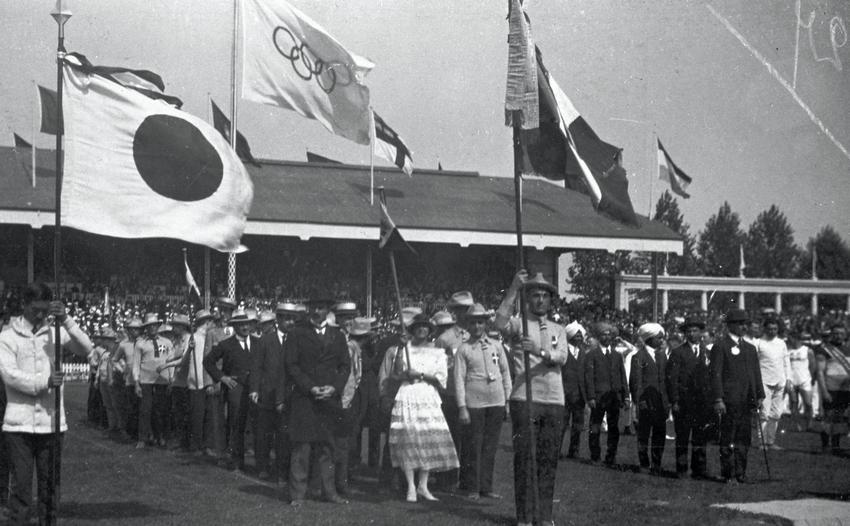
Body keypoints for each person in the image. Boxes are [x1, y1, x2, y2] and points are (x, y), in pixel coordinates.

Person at [0, 283, 93, 525]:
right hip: (18, 425)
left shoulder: (56, 332)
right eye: (35, 310)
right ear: (24, 305)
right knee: (20, 489)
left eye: (45, 310)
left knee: (50, 487)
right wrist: (45, 381)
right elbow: (10, 375)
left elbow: (86, 348)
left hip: (51, 423)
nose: (40, 315)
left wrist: (67, 320)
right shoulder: (7, 337)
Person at [494, 271, 567, 526]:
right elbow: (498, 324)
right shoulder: (518, 323)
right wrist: (513, 288)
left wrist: (539, 351)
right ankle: (524, 517)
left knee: (548, 460)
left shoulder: (559, 329)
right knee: (525, 459)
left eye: (544, 296)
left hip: (554, 401)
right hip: (525, 398)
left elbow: (562, 357)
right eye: (534, 295)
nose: (539, 300)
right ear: (528, 299)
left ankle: (544, 516)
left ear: (550, 301)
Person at [285, 298, 350, 505]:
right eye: (312, 307)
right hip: (305, 398)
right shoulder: (296, 334)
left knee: (328, 447)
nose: (316, 311)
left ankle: (329, 492)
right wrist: (310, 387)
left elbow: (344, 367)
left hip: (329, 399)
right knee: (302, 447)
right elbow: (291, 365)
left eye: (320, 308)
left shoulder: (338, 336)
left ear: (327, 311)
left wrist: (334, 387)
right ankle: (297, 495)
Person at [389, 313, 459, 502]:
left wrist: (419, 374)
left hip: (427, 395)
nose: (422, 329)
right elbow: (396, 373)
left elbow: (440, 379)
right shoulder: (405, 349)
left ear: (430, 330)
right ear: (413, 330)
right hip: (408, 394)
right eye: (418, 326)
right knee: (409, 439)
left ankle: (423, 485)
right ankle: (411, 486)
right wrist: (403, 353)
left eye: (425, 327)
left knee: (428, 438)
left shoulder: (437, 352)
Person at [455, 303, 511, 500]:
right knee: (474, 446)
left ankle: (486, 487)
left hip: (495, 401)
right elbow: (459, 380)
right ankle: (472, 487)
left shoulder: (496, 345)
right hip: (474, 403)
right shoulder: (464, 349)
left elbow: (505, 372)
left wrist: (507, 400)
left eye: (480, 322)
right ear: (468, 325)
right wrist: (462, 407)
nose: (477, 326)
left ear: (486, 324)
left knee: (490, 446)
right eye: (473, 323)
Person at [710, 308, 765, 483]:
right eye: (740, 323)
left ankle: (741, 473)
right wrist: (718, 399)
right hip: (729, 400)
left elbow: (756, 374)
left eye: (746, 324)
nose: (744, 327)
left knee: (744, 438)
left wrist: (760, 395)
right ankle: (729, 474)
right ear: (730, 326)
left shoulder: (749, 348)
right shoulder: (721, 346)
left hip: (747, 400)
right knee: (728, 438)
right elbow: (715, 374)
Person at [204, 309, 258, 471]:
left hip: (255, 387)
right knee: (236, 423)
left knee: (256, 424)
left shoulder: (258, 343)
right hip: (236, 387)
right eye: (241, 325)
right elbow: (208, 361)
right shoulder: (226, 344)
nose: (245, 327)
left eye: (247, 324)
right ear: (234, 327)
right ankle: (236, 460)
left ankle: (260, 463)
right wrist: (222, 377)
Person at [249, 302, 298, 482]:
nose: (289, 322)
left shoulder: (296, 339)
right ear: (278, 320)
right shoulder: (266, 340)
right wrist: (254, 389)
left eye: (292, 319)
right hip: (267, 392)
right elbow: (256, 366)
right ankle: (262, 466)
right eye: (286, 318)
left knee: (284, 436)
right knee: (264, 433)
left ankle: (281, 471)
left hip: (287, 394)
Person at [433, 292, 472, 491]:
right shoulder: (445, 339)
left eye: (468, 309)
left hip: (472, 395)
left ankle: (467, 481)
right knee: (451, 438)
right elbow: (436, 367)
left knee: (470, 441)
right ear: (455, 312)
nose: (465, 314)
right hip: (450, 395)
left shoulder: (475, 336)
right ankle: (447, 480)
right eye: (461, 310)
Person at [666, 316, 712, 479]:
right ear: (685, 334)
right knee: (683, 437)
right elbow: (672, 379)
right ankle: (682, 469)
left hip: (702, 403)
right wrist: (675, 401)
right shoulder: (678, 352)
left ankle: (699, 469)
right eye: (689, 331)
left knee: (700, 437)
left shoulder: (707, 352)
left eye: (695, 331)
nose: (692, 334)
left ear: (701, 333)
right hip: (684, 402)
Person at [584, 321, 629, 466]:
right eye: (604, 334)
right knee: (595, 426)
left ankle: (611, 456)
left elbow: (622, 377)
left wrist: (626, 395)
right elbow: (589, 377)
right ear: (599, 337)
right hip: (597, 397)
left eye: (609, 334)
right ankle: (595, 455)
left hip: (614, 397)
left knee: (613, 427)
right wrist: (590, 396)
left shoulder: (617, 355)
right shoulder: (592, 355)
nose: (607, 337)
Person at [629, 323, 669, 475]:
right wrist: (640, 401)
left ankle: (656, 463)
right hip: (646, 402)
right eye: (658, 338)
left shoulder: (662, 356)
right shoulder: (638, 357)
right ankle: (644, 463)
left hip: (660, 402)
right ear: (650, 339)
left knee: (659, 434)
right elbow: (636, 382)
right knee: (644, 435)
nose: (661, 340)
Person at [133, 313, 174, 449]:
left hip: (162, 381)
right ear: (146, 327)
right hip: (146, 381)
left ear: (158, 326)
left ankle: (160, 437)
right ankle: (143, 438)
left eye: (154, 325)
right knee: (145, 410)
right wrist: (136, 382)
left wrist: (171, 379)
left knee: (161, 410)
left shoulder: (167, 342)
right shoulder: (140, 343)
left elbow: (171, 361)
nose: (152, 328)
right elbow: (136, 364)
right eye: (149, 326)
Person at [158, 314, 192, 451]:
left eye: (176, 325)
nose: (174, 328)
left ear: (183, 326)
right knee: (178, 413)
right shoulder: (177, 341)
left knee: (184, 414)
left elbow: (184, 360)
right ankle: (180, 440)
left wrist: (167, 365)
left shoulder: (189, 339)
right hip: (178, 380)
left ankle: (185, 442)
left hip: (186, 381)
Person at [756, 318, 791, 450]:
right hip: (764, 381)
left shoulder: (781, 343)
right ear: (765, 328)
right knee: (764, 413)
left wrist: (789, 379)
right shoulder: (758, 343)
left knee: (776, 413)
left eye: (774, 329)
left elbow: (786, 362)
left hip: (780, 381)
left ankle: (771, 441)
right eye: (769, 329)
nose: (772, 331)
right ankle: (762, 442)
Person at [816, 324, 850, 454]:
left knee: (839, 418)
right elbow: (819, 372)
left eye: (841, 333)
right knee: (828, 417)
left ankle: (836, 446)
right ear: (831, 334)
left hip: (845, 389)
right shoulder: (824, 350)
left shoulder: (848, 349)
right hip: (830, 388)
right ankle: (825, 445)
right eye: (836, 333)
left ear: (845, 335)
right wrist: (824, 391)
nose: (838, 336)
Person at [112, 316, 142, 441]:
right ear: (128, 330)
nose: (135, 331)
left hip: (144, 379)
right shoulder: (123, 345)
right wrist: (121, 368)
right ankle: (131, 432)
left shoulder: (144, 342)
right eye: (132, 329)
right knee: (131, 407)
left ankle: (141, 433)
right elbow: (114, 360)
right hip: (130, 380)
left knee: (143, 408)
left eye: (137, 329)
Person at [559, 321, 586, 459]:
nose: (579, 338)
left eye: (580, 336)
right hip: (564, 393)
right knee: (561, 424)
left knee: (577, 425)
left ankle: (574, 451)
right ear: (569, 336)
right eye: (576, 335)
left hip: (579, 396)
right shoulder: (563, 351)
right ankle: (557, 451)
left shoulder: (583, 353)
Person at [786, 331, 816, 432]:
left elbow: (813, 365)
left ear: (795, 338)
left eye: (790, 338)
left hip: (805, 380)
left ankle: (809, 424)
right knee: (794, 404)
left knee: (808, 403)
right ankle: (797, 425)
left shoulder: (807, 350)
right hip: (792, 381)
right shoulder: (787, 351)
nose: (788, 340)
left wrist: (810, 377)